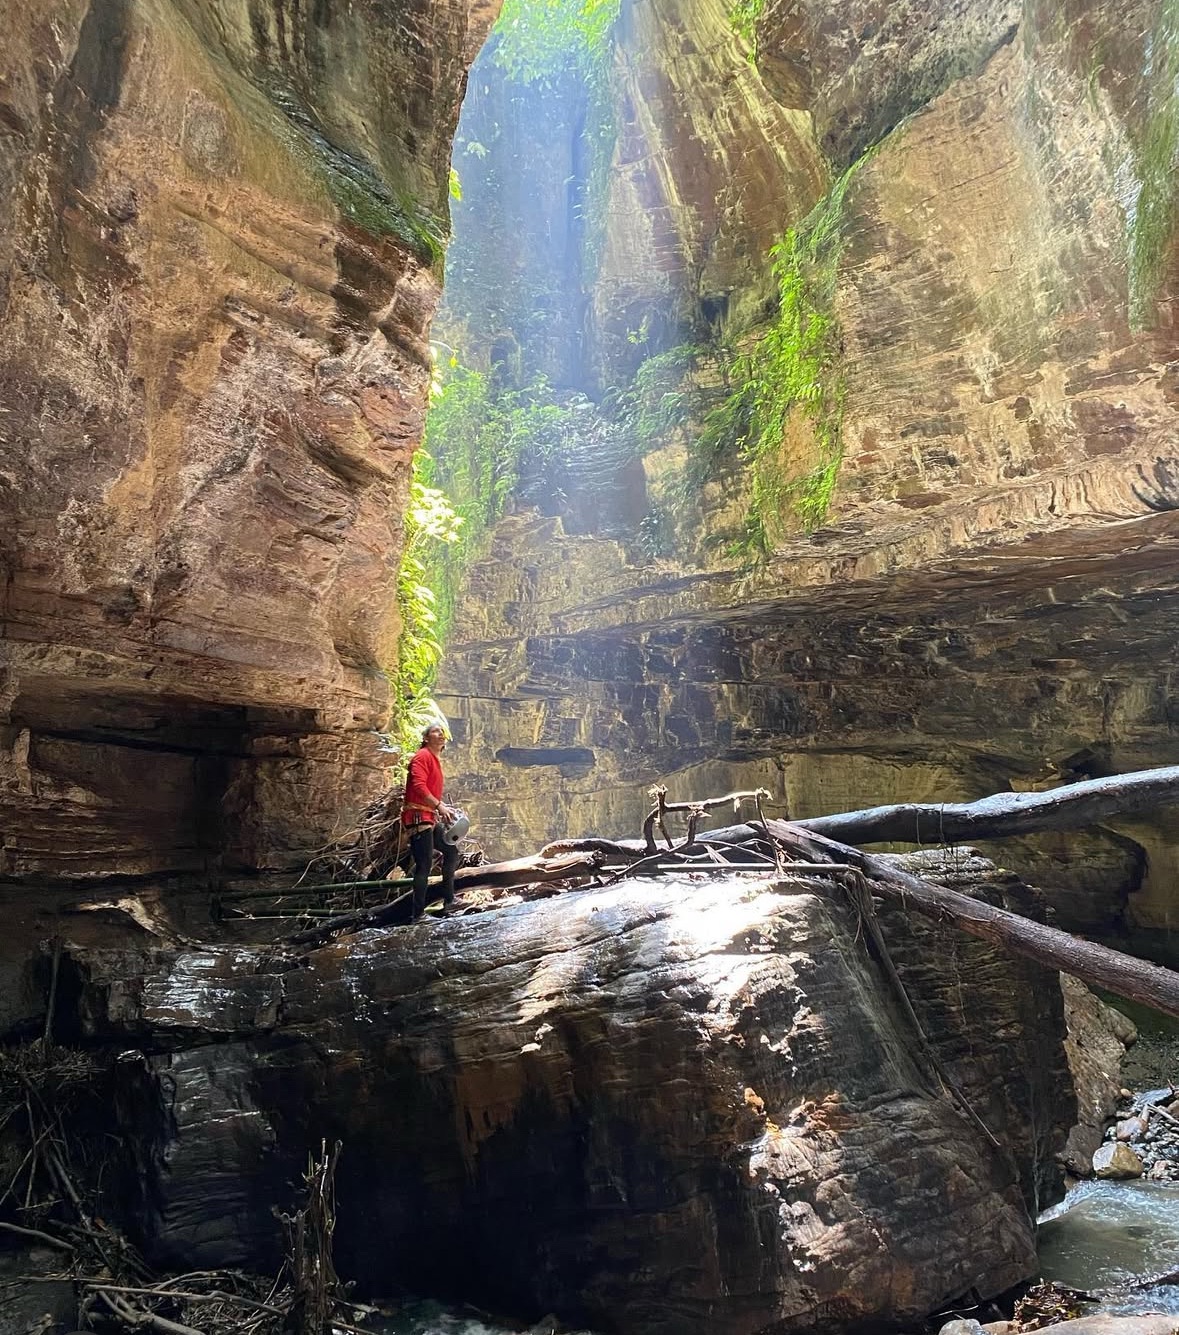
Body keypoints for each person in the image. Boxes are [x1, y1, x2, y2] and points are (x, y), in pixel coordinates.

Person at [402, 723, 460, 921]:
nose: (441, 734)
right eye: (436, 731)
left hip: (429, 816)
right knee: (424, 864)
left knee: (451, 851)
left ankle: (449, 901)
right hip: (418, 817)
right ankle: (418, 915)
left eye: (443, 732)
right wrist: (439, 805)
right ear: (426, 738)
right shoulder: (422, 756)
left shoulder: (433, 759)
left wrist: (441, 807)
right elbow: (418, 786)